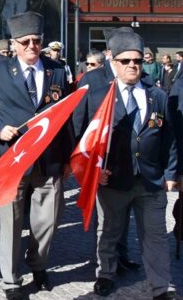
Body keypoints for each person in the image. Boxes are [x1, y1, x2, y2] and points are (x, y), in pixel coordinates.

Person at [75, 30, 178, 299]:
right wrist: (94, 172)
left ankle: (160, 286)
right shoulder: (98, 96)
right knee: (109, 231)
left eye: (138, 61)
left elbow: (169, 139)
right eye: (126, 61)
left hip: (150, 181)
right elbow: (82, 139)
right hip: (113, 179)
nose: (133, 65)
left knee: (154, 236)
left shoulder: (157, 95)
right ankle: (106, 274)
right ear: (114, 64)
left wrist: (170, 173)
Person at [0, 12, 73, 300]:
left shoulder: (57, 71)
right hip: (14, 159)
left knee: (47, 221)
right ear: (14, 44)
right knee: (10, 222)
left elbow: (66, 117)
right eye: (25, 42)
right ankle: (11, 280)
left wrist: (69, 157)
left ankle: (38, 264)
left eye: (37, 41)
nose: (32, 47)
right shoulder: (0, 71)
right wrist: (0, 129)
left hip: (49, 160)